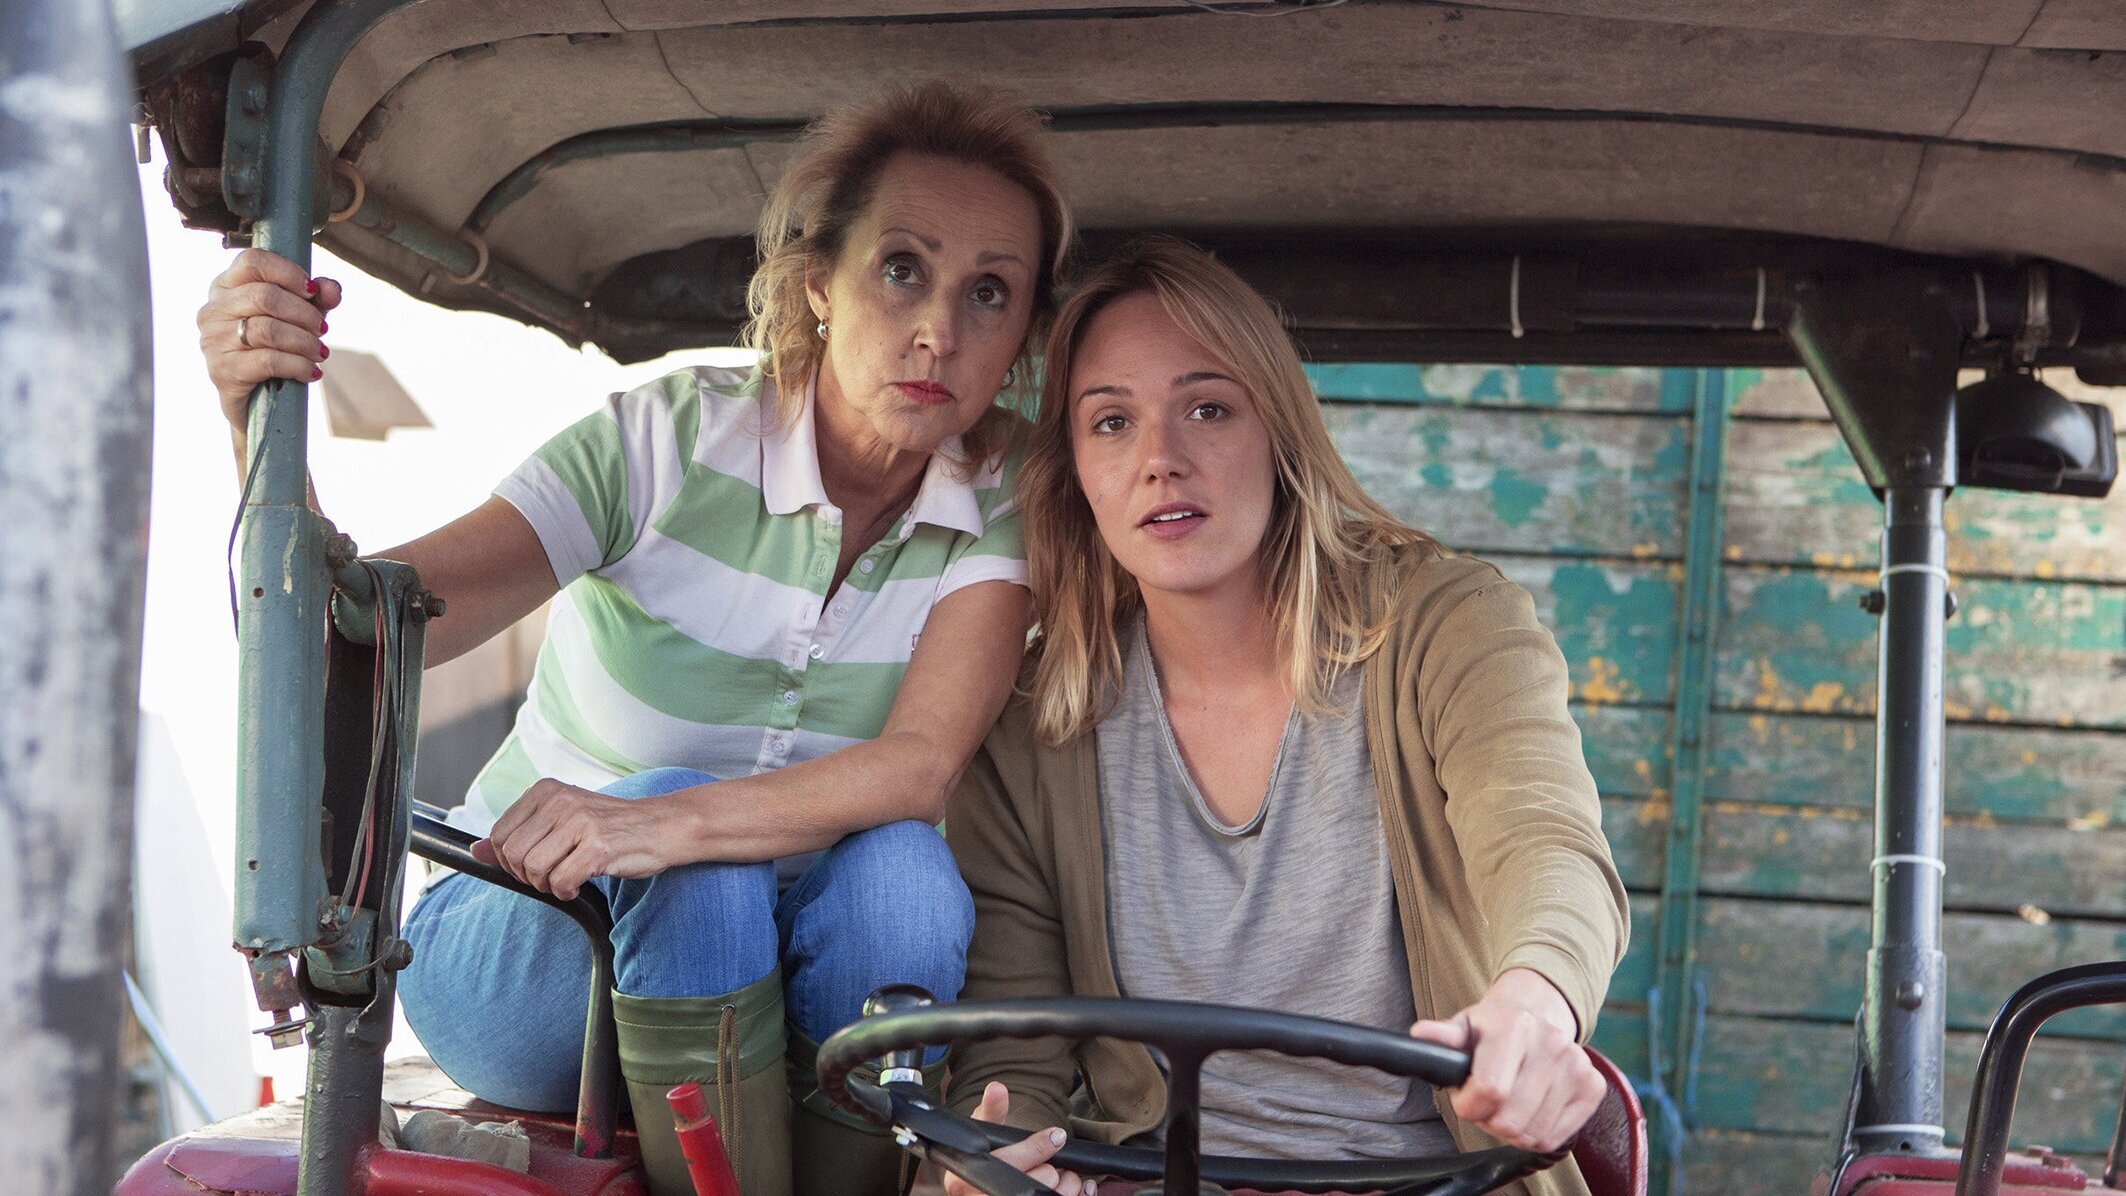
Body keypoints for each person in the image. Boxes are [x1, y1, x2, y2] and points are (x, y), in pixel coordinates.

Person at [194, 83, 1074, 1196]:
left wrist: (659, 823)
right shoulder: (660, 440)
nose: (938, 330)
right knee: (697, 867)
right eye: (902, 268)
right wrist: (252, 415)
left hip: (795, 962)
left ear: (1022, 332)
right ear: (818, 280)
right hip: (542, 936)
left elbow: (919, 767)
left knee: (905, 872)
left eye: (989, 292)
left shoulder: (1006, 493)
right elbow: (349, 638)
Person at [942, 237, 1629, 1196]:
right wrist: (996, 1166)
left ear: (1280, 429)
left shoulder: (1446, 625)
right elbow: (1013, 1061)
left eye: (1208, 408)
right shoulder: (1030, 726)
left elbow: (1545, 842)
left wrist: (1534, 1001)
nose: (1160, 460)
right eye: (1112, 422)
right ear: (1076, 471)